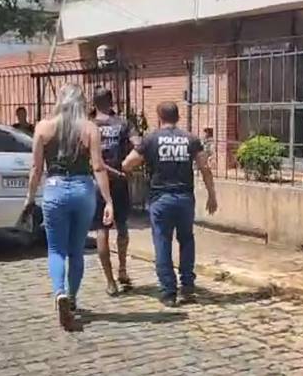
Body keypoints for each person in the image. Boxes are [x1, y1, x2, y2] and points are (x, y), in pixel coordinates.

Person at [25, 84, 114, 331]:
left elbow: (36, 169)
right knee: (76, 250)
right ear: (82, 102)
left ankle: (60, 292)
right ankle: (72, 298)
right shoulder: (89, 128)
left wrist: (30, 198)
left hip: (55, 189)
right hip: (83, 189)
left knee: (56, 249)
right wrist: (108, 200)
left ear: (59, 101)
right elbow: (98, 166)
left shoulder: (43, 127)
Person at [123, 101, 218, 307]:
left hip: (160, 198)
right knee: (187, 241)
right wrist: (212, 195)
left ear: (159, 117)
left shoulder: (151, 139)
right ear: (178, 116)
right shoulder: (191, 139)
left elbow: (128, 164)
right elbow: (205, 167)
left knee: (162, 243)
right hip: (185, 198)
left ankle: (168, 291)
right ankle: (188, 287)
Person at [90, 86, 141, 297]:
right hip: (120, 181)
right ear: (112, 101)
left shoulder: (88, 125)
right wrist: (126, 167)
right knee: (122, 226)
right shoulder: (123, 123)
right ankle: (122, 269)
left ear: (94, 103)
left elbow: (87, 157)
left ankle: (110, 281)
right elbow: (139, 144)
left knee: (102, 230)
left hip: (97, 183)